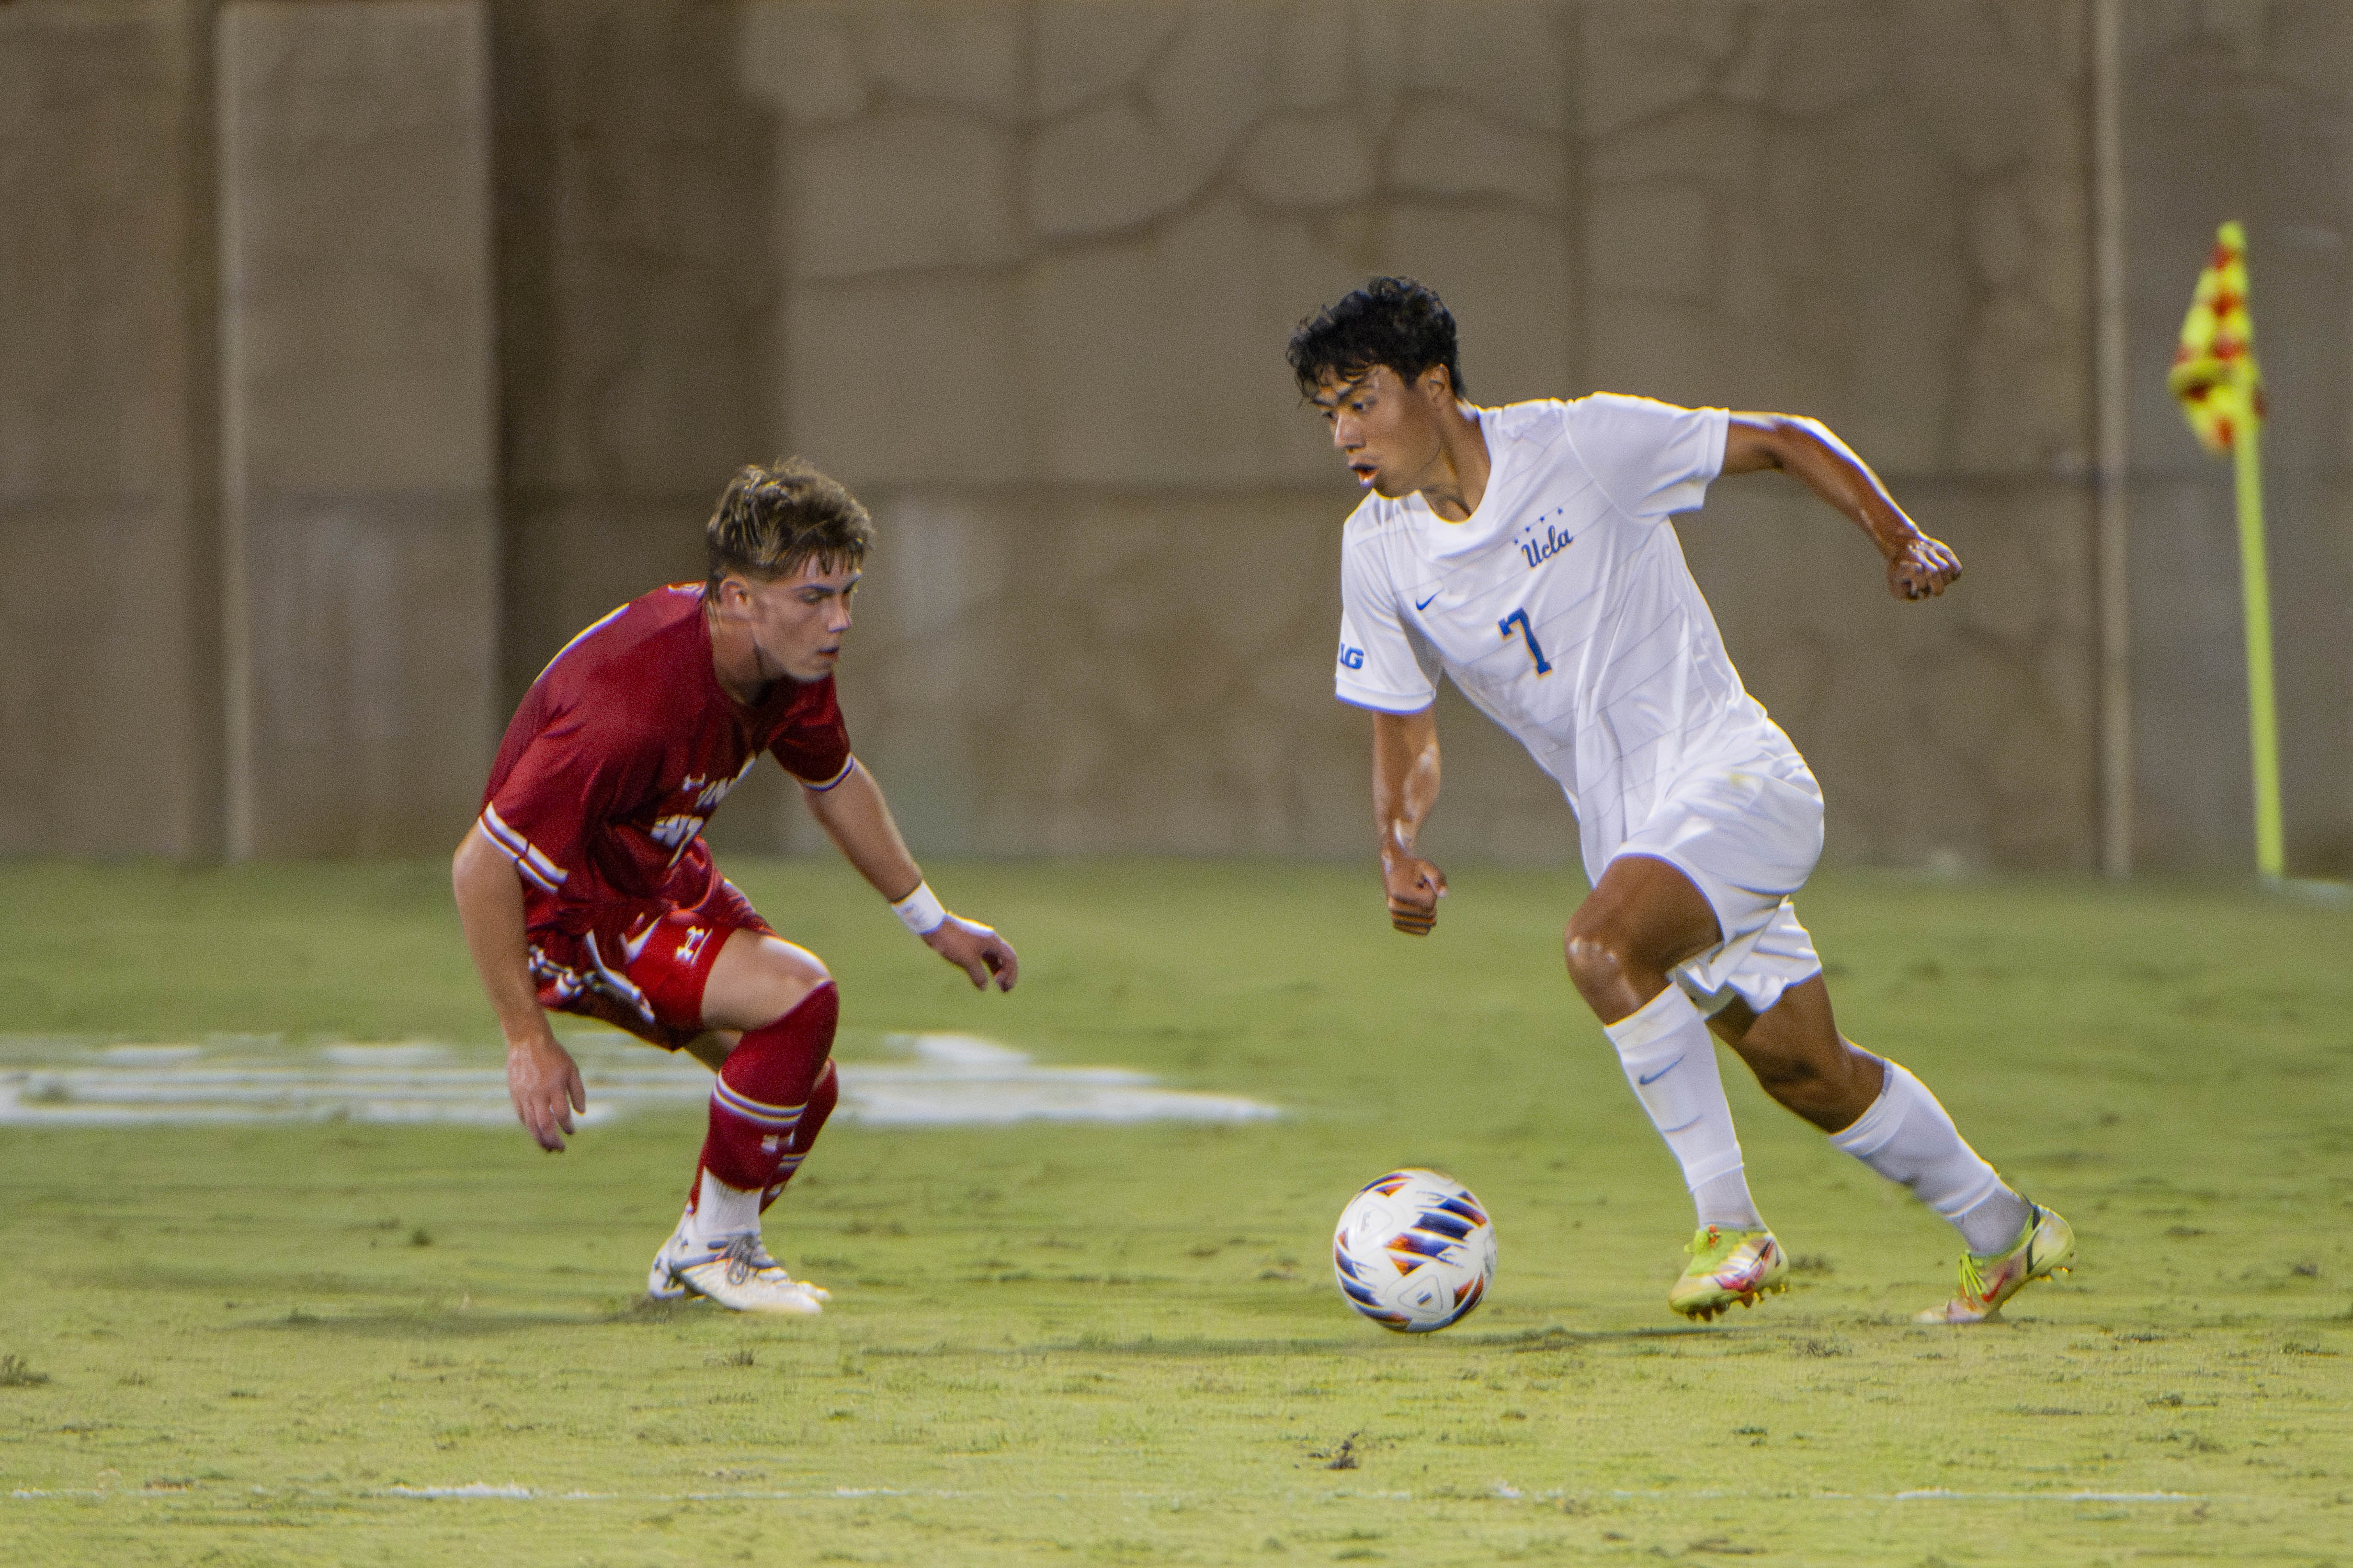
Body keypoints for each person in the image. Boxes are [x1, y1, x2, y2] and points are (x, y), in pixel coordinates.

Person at [1288, 277, 2074, 1324]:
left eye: (1361, 400)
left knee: (1602, 951)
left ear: (1434, 386)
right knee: (1807, 1071)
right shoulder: (1377, 549)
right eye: (1329, 412)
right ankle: (2007, 1230)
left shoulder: (1581, 448)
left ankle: (1730, 1226)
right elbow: (1403, 718)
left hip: (1737, 781)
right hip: (1637, 838)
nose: (1345, 432)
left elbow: (1788, 440)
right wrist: (1397, 844)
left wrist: (1900, 539)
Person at [451, 459, 1017, 1315]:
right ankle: (713, 1248)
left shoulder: (786, 663)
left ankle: (700, 1260)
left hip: (660, 875)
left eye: (847, 594)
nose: (840, 621)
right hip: (572, 912)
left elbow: (834, 782)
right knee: (800, 998)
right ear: (739, 597)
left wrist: (933, 922)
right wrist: (524, 1039)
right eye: (815, 597)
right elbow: (482, 866)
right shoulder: (628, 703)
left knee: (801, 1084)